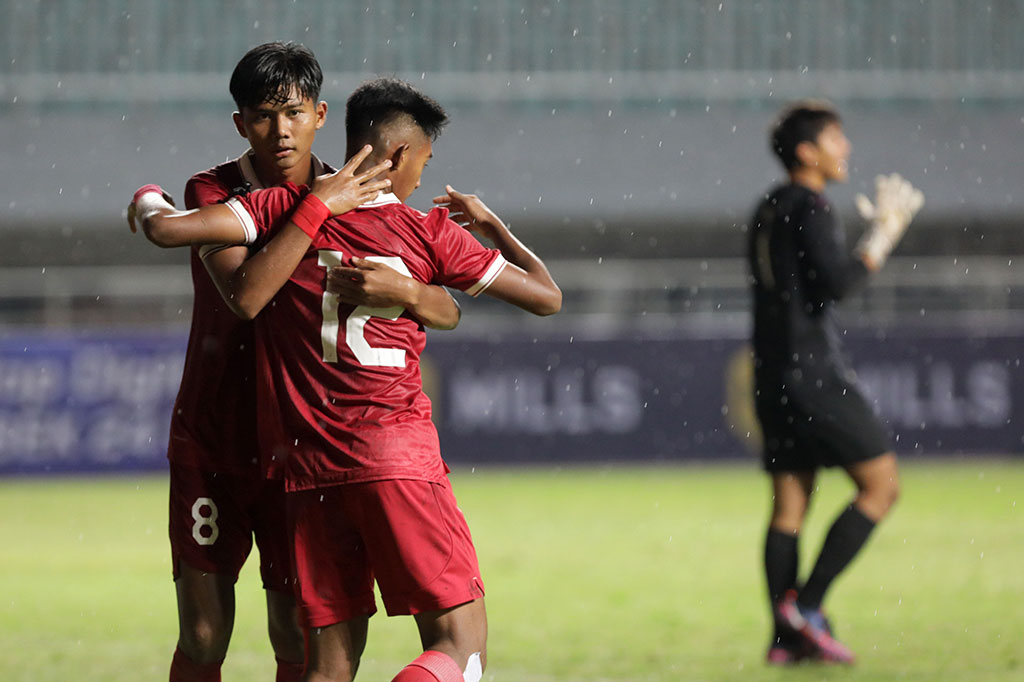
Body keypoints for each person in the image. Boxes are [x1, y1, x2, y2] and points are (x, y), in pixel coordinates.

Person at [130, 76, 561, 682]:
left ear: (326, 119)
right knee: (460, 648)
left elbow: (169, 230)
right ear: (402, 154)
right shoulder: (426, 231)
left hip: (309, 469)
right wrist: (490, 229)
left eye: (293, 113)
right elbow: (546, 297)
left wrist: (147, 199)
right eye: (425, 163)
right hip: (393, 456)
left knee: (325, 668)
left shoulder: (285, 208)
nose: (422, 180)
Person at [152, 43, 461, 682]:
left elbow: (443, 301)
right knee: (204, 634)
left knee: (293, 630)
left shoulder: (359, 191)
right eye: (263, 116)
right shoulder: (217, 191)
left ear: (319, 114)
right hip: (215, 436)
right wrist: (317, 205)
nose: (281, 131)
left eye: (293, 112)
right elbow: (245, 300)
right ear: (241, 123)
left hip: (299, 444)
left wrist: (412, 291)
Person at [747, 100, 924, 665]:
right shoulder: (812, 205)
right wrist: (882, 237)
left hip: (772, 371)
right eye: (835, 139)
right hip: (813, 373)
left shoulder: (768, 206)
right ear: (808, 152)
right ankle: (808, 607)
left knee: (789, 507)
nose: (845, 148)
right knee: (882, 487)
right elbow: (837, 284)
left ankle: (785, 642)